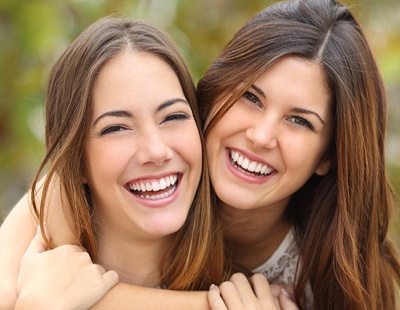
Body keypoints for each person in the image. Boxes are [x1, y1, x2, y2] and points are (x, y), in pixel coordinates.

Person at [2, 0, 400, 309]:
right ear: (214, 91)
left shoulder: (330, 274)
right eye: (250, 97)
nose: (261, 136)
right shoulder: (145, 176)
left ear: (328, 156)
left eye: (299, 121)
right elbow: (21, 289)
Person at [0, 16, 230, 309]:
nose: (156, 151)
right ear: (76, 162)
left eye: (173, 117)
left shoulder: (252, 289)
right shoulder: (30, 288)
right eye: (116, 128)